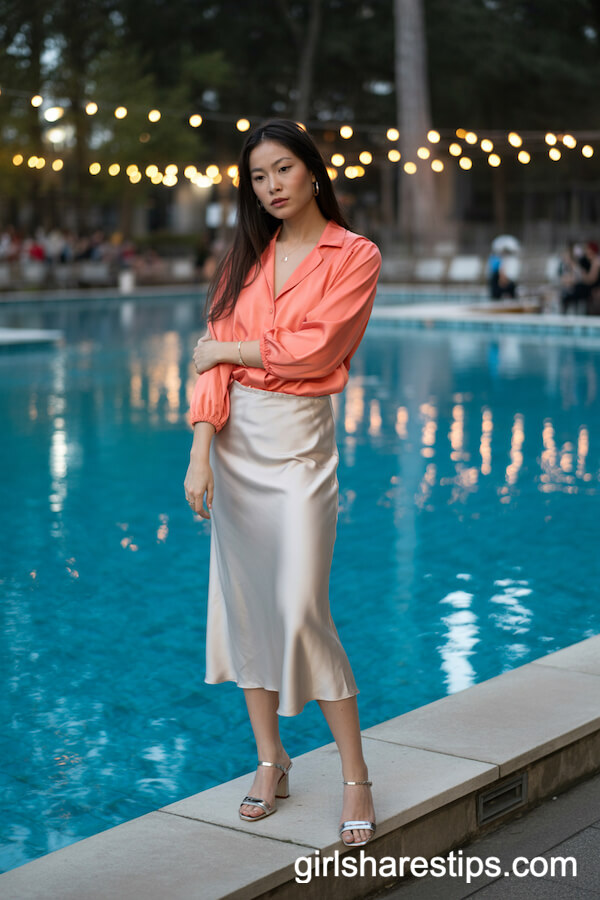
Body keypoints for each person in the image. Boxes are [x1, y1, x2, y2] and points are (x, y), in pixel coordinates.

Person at [184, 118, 381, 847]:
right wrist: (201, 449)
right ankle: (271, 759)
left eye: (282, 171)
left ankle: (357, 775)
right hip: (233, 447)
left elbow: (315, 348)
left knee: (300, 607)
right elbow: (212, 373)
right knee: (245, 608)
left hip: (300, 448)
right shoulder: (244, 258)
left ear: (312, 171)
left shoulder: (354, 254)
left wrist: (228, 348)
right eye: (258, 177)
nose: (270, 187)